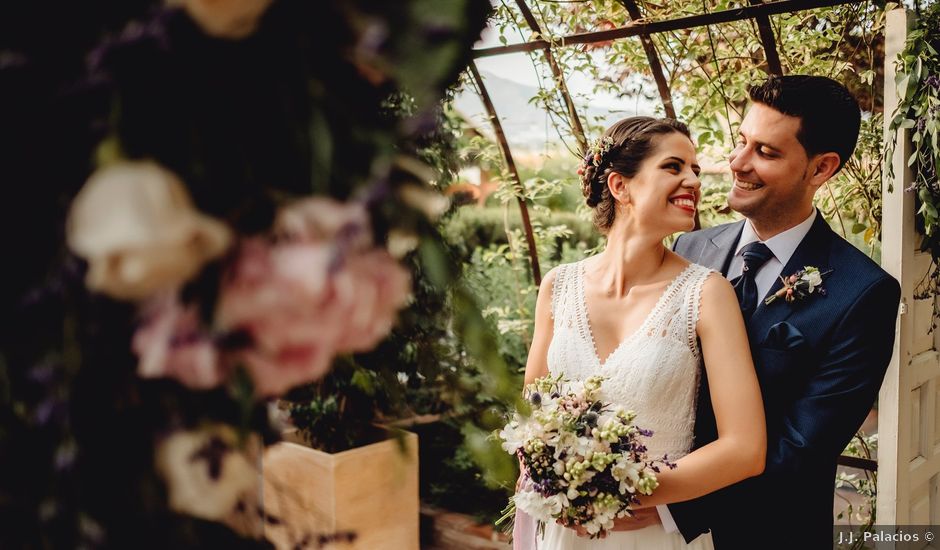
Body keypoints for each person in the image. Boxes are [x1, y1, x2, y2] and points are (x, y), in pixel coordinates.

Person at [646, 75, 901, 549]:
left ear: (821, 169)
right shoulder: (691, 246)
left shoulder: (863, 293)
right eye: (741, 142)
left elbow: (799, 449)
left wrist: (656, 503)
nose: (737, 164)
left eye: (766, 152)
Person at [517, 116, 766, 549]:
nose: (693, 179)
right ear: (620, 186)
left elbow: (745, 448)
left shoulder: (707, 294)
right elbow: (533, 413)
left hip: (651, 535)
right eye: (674, 167)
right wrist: (554, 482)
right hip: (564, 530)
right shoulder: (558, 287)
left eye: (694, 169)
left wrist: (625, 491)